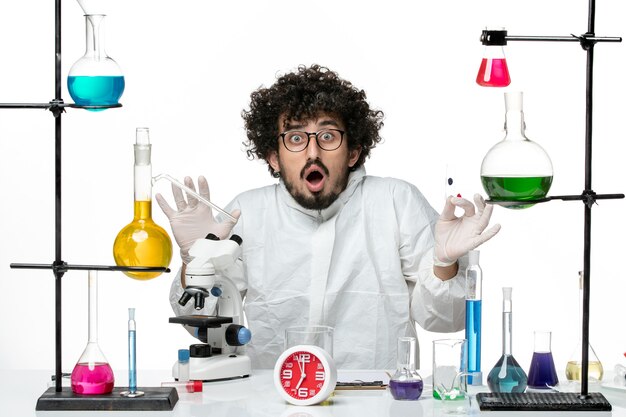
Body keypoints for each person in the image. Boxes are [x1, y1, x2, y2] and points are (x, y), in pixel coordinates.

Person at [156, 64, 500, 370]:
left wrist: (443, 263)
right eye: (295, 137)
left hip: (377, 403)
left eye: (328, 136)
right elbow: (204, 324)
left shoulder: (395, 201)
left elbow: (447, 320)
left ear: (353, 151)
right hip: (270, 401)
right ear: (273, 157)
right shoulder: (245, 213)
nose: (312, 152)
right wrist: (195, 262)